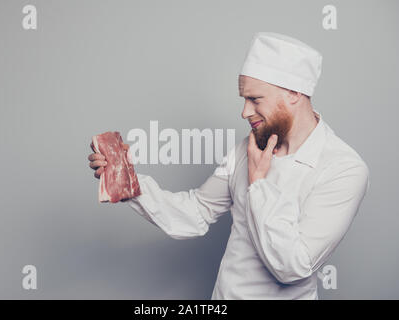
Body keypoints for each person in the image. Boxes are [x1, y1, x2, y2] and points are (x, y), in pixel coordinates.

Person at [88, 32, 370, 299]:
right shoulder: (247, 148)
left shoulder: (343, 169)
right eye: (244, 99)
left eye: (254, 99)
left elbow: (292, 267)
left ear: (294, 93)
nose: (245, 112)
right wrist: (128, 181)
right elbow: (197, 211)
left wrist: (259, 184)